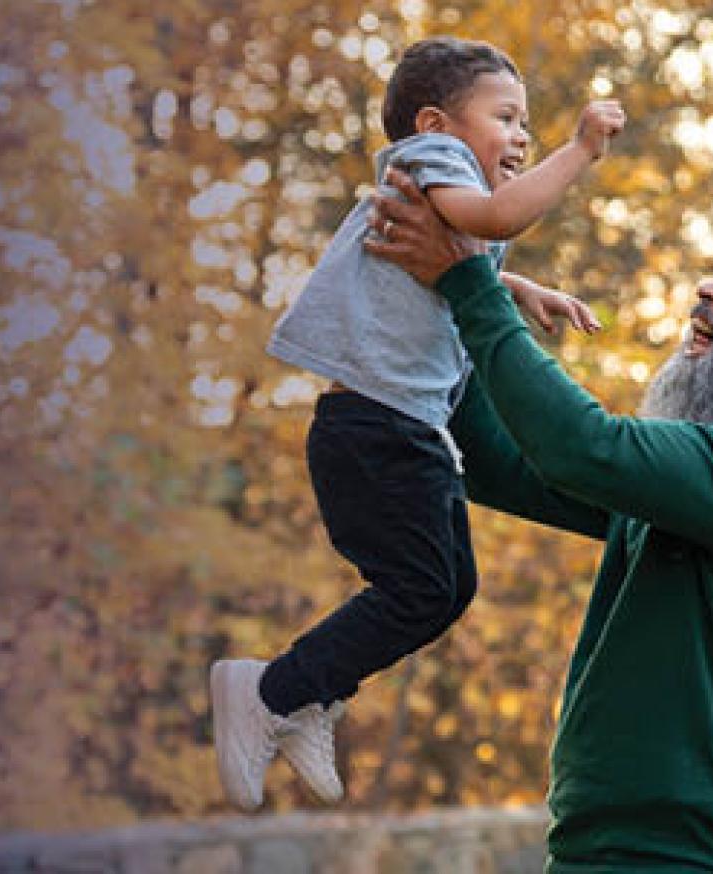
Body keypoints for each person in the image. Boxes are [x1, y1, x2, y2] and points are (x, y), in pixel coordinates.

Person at [364, 167, 713, 872]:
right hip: (595, 853)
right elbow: (501, 462)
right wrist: (436, 310)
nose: (708, 290)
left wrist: (471, 285)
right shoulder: (699, 479)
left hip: (696, 862)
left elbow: (582, 448)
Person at [210, 36, 624, 812]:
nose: (523, 136)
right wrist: (578, 151)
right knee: (424, 588)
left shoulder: (443, 184)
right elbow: (495, 218)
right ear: (435, 122)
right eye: (507, 117)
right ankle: (271, 690)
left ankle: (308, 694)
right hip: (377, 429)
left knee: (447, 586)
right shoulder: (432, 158)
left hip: (396, 429)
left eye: (529, 123)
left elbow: (458, 253)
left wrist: (519, 288)